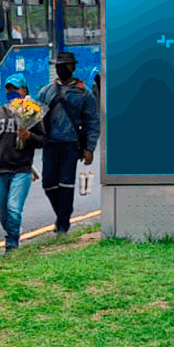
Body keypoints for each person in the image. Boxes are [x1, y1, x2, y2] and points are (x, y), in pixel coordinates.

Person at [0, 74, 43, 252]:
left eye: (15, 88)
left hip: (22, 170)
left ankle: (11, 243)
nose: (12, 92)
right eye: (8, 89)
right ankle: (14, 228)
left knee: (13, 207)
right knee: (0, 208)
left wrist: (29, 136)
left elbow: (43, 140)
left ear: (24, 90)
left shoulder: (33, 113)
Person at [38, 51, 101, 234]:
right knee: (48, 184)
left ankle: (63, 226)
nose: (61, 68)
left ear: (73, 67)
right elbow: (36, 118)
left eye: (65, 65)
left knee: (66, 185)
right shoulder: (46, 91)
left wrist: (89, 148)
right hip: (50, 144)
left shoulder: (84, 93)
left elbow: (92, 122)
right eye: (58, 65)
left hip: (71, 144)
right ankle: (61, 215)